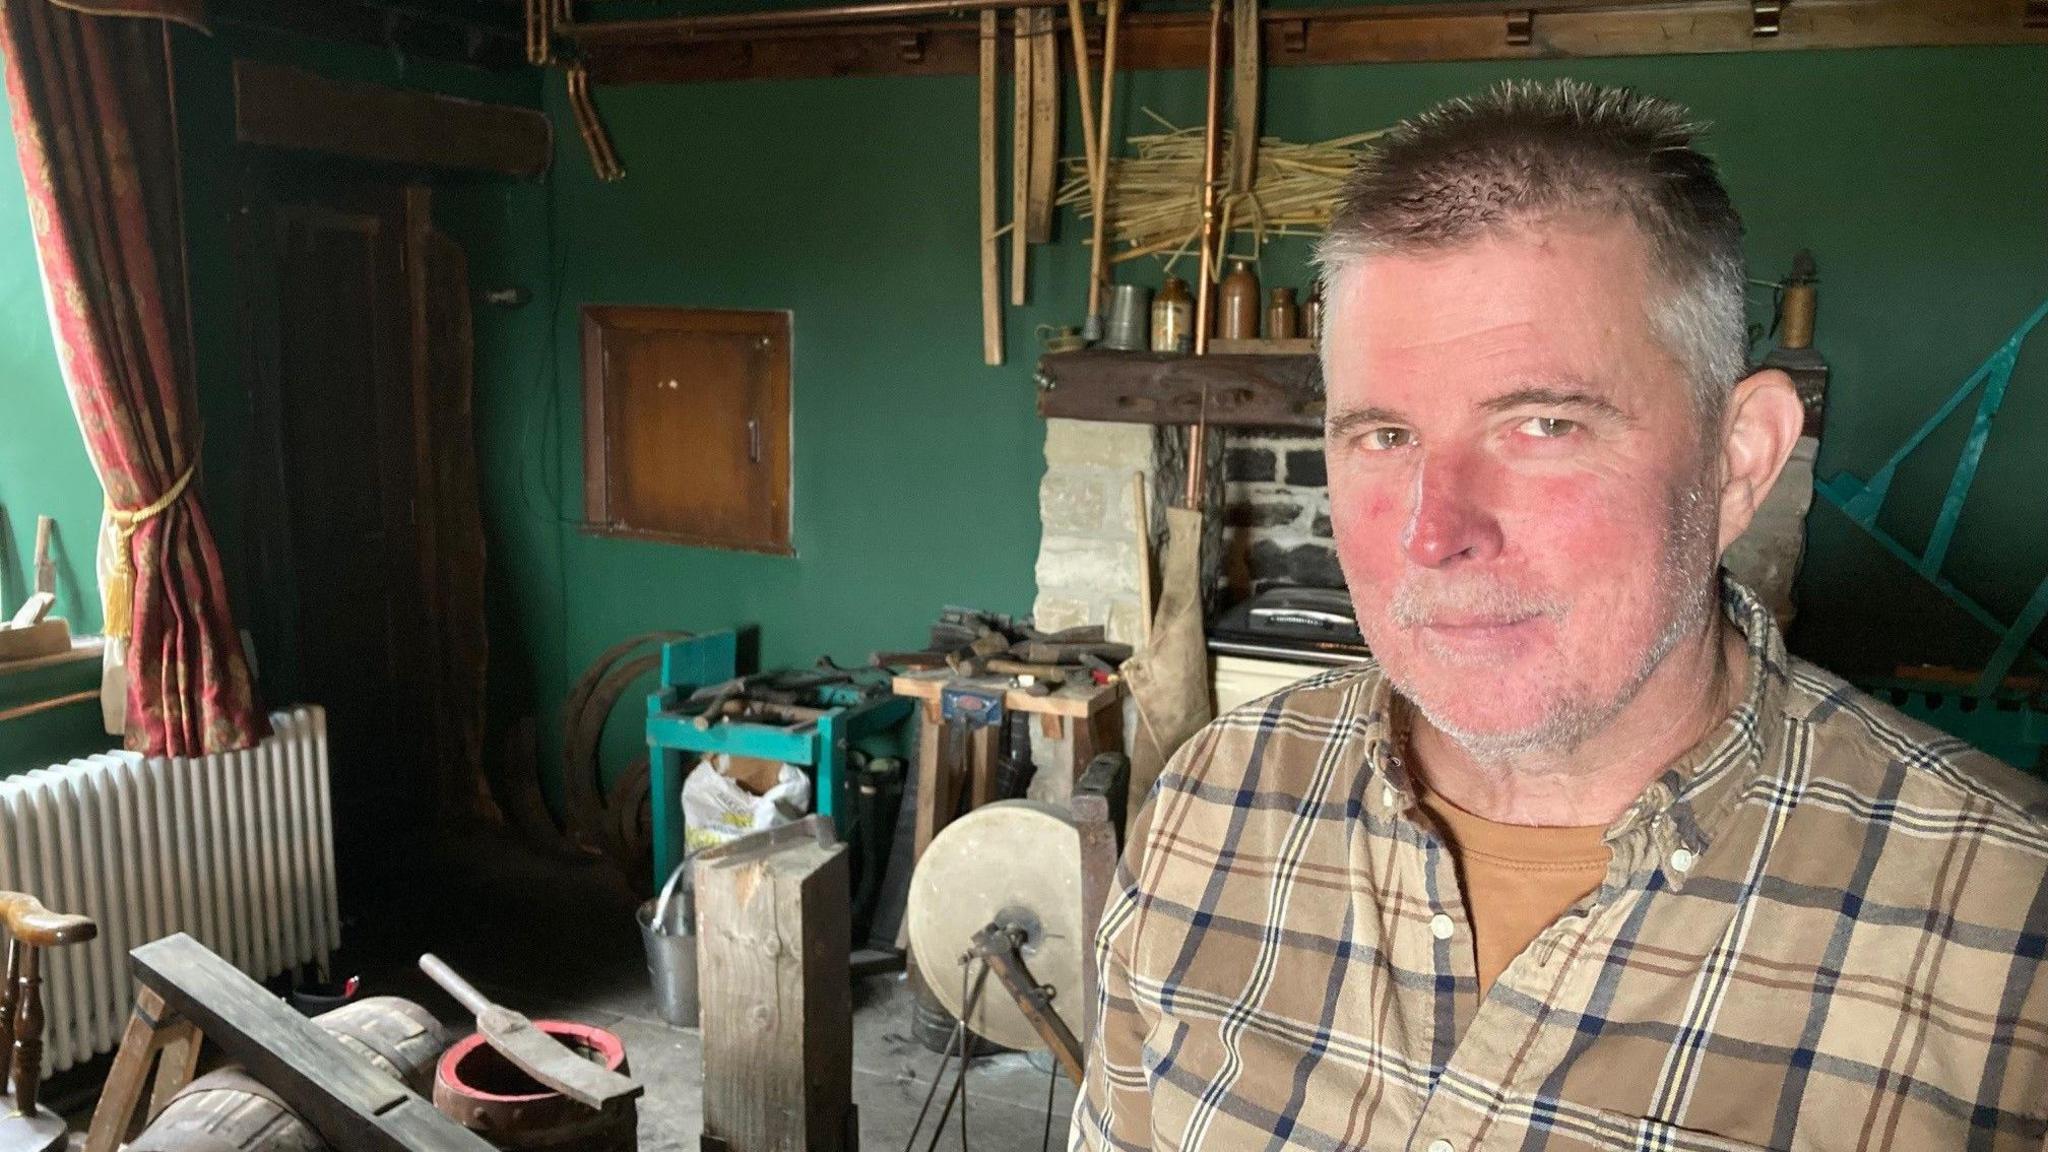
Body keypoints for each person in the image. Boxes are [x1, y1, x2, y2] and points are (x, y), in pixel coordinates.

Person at [1073, 79, 2048, 1151]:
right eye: (1382, 436)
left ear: (1739, 460)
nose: (1429, 534)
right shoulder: (1207, 805)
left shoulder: (2008, 933)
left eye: (1542, 424)